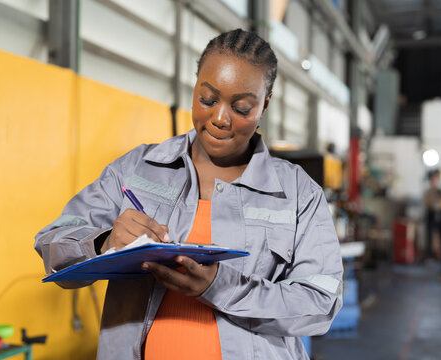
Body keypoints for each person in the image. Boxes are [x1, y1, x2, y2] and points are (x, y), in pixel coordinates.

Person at [35, 29, 343, 360]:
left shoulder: (297, 193)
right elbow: (52, 241)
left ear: (264, 105)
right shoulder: (136, 170)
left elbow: (320, 303)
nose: (220, 118)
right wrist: (104, 241)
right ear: (195, 87)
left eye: (241, 107)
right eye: (207, 99)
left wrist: (220, 286)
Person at [423, 169, 441, 259]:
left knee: (438, 234)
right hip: (430, 213)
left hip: (438, 214)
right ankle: (429, 253)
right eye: (433, 179)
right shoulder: (427, 191)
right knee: (429, 235)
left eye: (436, 179)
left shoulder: (440, 192)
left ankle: (438, 253)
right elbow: (426, 203)